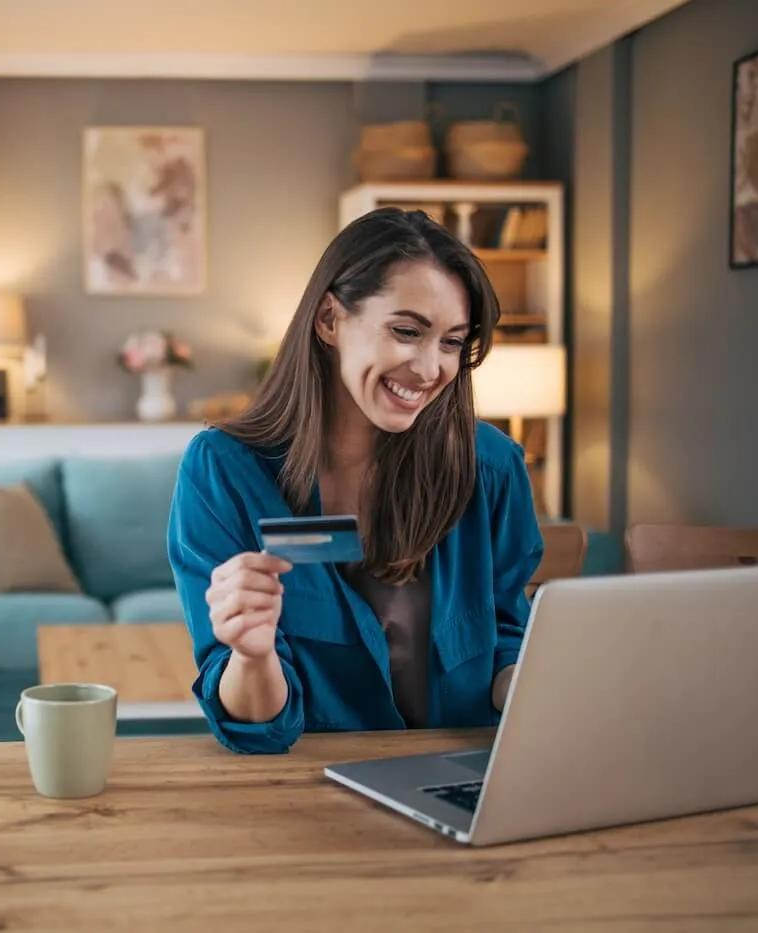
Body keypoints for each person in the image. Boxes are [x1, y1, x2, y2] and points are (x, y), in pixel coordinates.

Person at [167, 207, 544, 755]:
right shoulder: (223, 472)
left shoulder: (491, 467)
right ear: (329, 320)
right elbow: (256, 731)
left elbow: (508, 635)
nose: (429, 368)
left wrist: (534, 687)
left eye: (451, 342)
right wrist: (251, 655)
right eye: (407, 331)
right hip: (312, 798)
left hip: (463, 782)